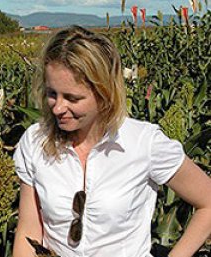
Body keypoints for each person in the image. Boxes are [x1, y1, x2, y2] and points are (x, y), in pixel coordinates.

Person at [12, 26, 211, 257]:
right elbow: (29, 229)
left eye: (72, 98)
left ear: (104, 92)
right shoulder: (35, 141)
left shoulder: (143, 143)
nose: (57, 108)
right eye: (51, 94)